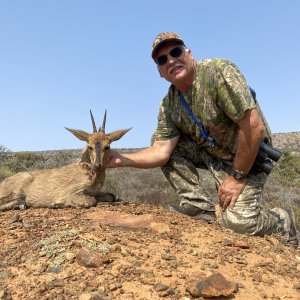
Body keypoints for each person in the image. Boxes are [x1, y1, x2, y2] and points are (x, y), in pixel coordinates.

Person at [106, 32, 299, 248]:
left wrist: (236, 177)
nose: (171, 60)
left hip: (249, 157)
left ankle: (283, 219)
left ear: (189, 53)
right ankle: (198, 207)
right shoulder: (168, 105)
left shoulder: (218, 72)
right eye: (162, 59)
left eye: (175, 52)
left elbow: (253, 127)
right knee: (167, 144)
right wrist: (122, 159)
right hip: (214, 155)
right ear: (160, 72)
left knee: (239, 224)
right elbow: (161, 151)